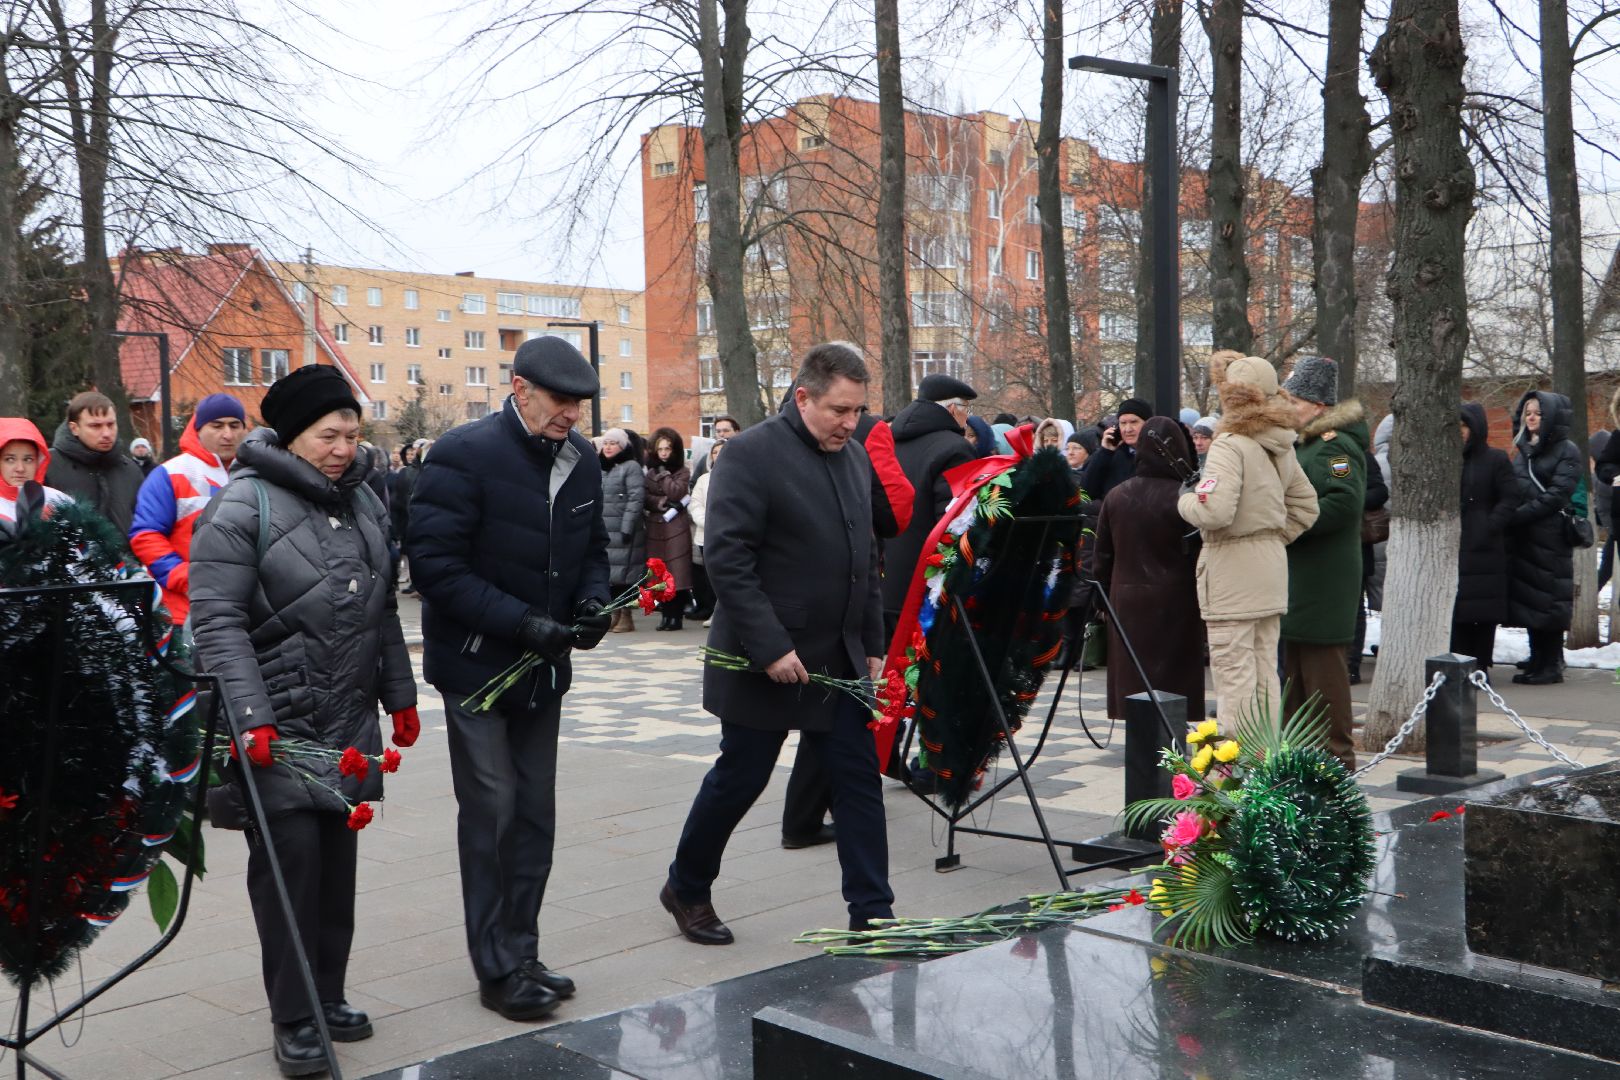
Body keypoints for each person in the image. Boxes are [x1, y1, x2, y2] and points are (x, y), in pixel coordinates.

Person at [189, 365, 418, 1076]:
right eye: (329, 435)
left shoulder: (364, 505)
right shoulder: (240, 505)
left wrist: (400, 692)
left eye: (352, 434)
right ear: (293, 436)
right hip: (275, 724)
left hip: (346, 718)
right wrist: (251, 718)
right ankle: (294, 1019)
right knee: (289, 872)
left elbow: (382, 608)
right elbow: (216, 622)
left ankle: (328, 994)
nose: (344, 447)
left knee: (336, 870)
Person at [406, 336, 612, 1021]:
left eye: (580, 405)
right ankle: (495, 967)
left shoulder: (580, 462)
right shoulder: (463, 453)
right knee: (493, 812)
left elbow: (593, 550)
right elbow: (436, 568)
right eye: (561, 402)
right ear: (520, 389)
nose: (572, 417)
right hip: (475, 666)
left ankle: (522, 950)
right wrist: (523, 623)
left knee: (534, 816)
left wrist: (591, 604)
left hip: (542, 669)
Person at [660, 342, 892, 944]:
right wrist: (770, 646)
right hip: (765, 658)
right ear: (803, 397)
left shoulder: (855, 457)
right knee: (742, 774)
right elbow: (729, 560)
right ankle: (686, 886)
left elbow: (864, 558)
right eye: (840, 410)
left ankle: (872, 913)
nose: (851, 423)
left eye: (858, 411)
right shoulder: (751, 454)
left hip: (837, 656)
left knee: (858, 779)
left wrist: (871, 640)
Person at [1178, 354, 1318, 728]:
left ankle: (1237, 773)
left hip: (1231, 576)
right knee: (1263, 674)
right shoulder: (1281, 444)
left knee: (1234, 676)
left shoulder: (1230, 445)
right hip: (1268, 571)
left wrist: (1185, 500)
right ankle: (1266, 764)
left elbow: (1214, 512)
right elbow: (1306, 506)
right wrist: (1269, 537)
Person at [1277, 356, 1368, 770]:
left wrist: (1292, 524)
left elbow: (1344, 503)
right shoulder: (1307, 444)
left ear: (1317, 405)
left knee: (1325, 679)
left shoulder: (1337, 445)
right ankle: (1298, 762)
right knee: (1296, 679)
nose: (1287, 407)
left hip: (1325, 581)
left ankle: (1337, 763)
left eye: (1293, 400)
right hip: (1303, 580)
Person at [1094, 417, 1206, 721]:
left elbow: (1102, 555)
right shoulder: (1187, 499)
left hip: (1127, 599)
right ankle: (1172, 743)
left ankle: (1141, 747)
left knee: (1135, 675)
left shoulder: (1117, 496)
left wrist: (1101, 597)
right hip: (1179, 599)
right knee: (1175, 678)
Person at [129, 393, 245, 626]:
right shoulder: (171, 473)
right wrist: (186, 578)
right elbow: (146, 536)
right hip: (182, 613)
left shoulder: (256, 474)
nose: (228, 434)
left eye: (235, 425)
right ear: (198, 428)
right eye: (217, 426)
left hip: (245, 611)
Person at [882, 373, 978, 635]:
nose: (967, 417)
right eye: (966, 409)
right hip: (925, 588)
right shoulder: (955, 448)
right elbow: (954, 523)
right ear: (951, 409)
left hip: (886, 580)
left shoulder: (891, 439)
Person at [1505, 391, 1582, 685]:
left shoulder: (1566, 449)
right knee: (1530, 599)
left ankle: (1551, 662)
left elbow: (1557, 494)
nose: (1532, 417)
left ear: (1553, 417)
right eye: (1527, 413)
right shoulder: (1523, 448)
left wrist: (1520, 514)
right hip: (1524, 536)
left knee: (1549, 600)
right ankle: (1537, 657)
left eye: (1538, 412)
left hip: (1550, 536)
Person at [1453, 402, 1517, 674]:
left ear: (1476, 427)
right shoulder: (1448, 460)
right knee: (1457, 610)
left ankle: (1481, 665)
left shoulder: (1495, 459)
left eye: (1465, 425)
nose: (1460, 432)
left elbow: (1511, 497)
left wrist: (1490, 525)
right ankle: (1457, 663)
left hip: (1485, 548)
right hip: (1455, 544)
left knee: (1482, 612)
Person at [44, 390, 147, 535]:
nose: (106, 433)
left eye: (110, 424)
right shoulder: (48, 466)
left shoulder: (130, 470)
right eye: (95, 426)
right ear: (74, 428)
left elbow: (146, 524)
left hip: (126, 556)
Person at [644, 427, 694, 630]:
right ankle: (665, 616)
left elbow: (676, 493)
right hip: (656, 528)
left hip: (676, 528)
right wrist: (660, 502)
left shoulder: (682, 471)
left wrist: (663, 475)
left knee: (677, 574)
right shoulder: (649, 472)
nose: (664, 453)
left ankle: (676, 617)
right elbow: (646, 497)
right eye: (660, 449)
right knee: (659, 574)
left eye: (668, 449)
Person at [600, 427, 647, 632]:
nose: (608, 447)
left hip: (624, 531)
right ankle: (614, 613)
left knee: (626, 575)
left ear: (622, 446)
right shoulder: (601, 468)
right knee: (609, 576)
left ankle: (626, 616)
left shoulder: (631, 466)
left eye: (613, 443)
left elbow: (636, 498)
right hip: (605, 530)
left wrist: (627, 527)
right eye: (606, 443)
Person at [1, 418, 74, 526]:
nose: (20, 468)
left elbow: (87, 539)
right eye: (10, 459)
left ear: (39, 462)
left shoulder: (59, 502)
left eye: (28, 459)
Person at [1080, 397, 1151, 501]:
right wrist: (1104, 452)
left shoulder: (1158, 456)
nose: (1128, 429)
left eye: (1134, 422)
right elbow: (1084, 495)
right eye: (1123, 423)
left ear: (1148, 423)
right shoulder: (1109, 456)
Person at [688, 438, 723, 626]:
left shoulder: (739, 476)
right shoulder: (704, 479)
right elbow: (696, 505)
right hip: (706, 535)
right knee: (710, 577)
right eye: (715, 452)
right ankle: (714, 612)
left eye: (722, 450)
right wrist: (708, 523)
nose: (719, 454)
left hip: (730, 535)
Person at [690, 415, 739, 490]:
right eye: (718, 431)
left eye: (726, 430)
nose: (721, 434)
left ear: (737, 432)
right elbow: (693, 485)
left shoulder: (744, 456)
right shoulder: (706, 459)